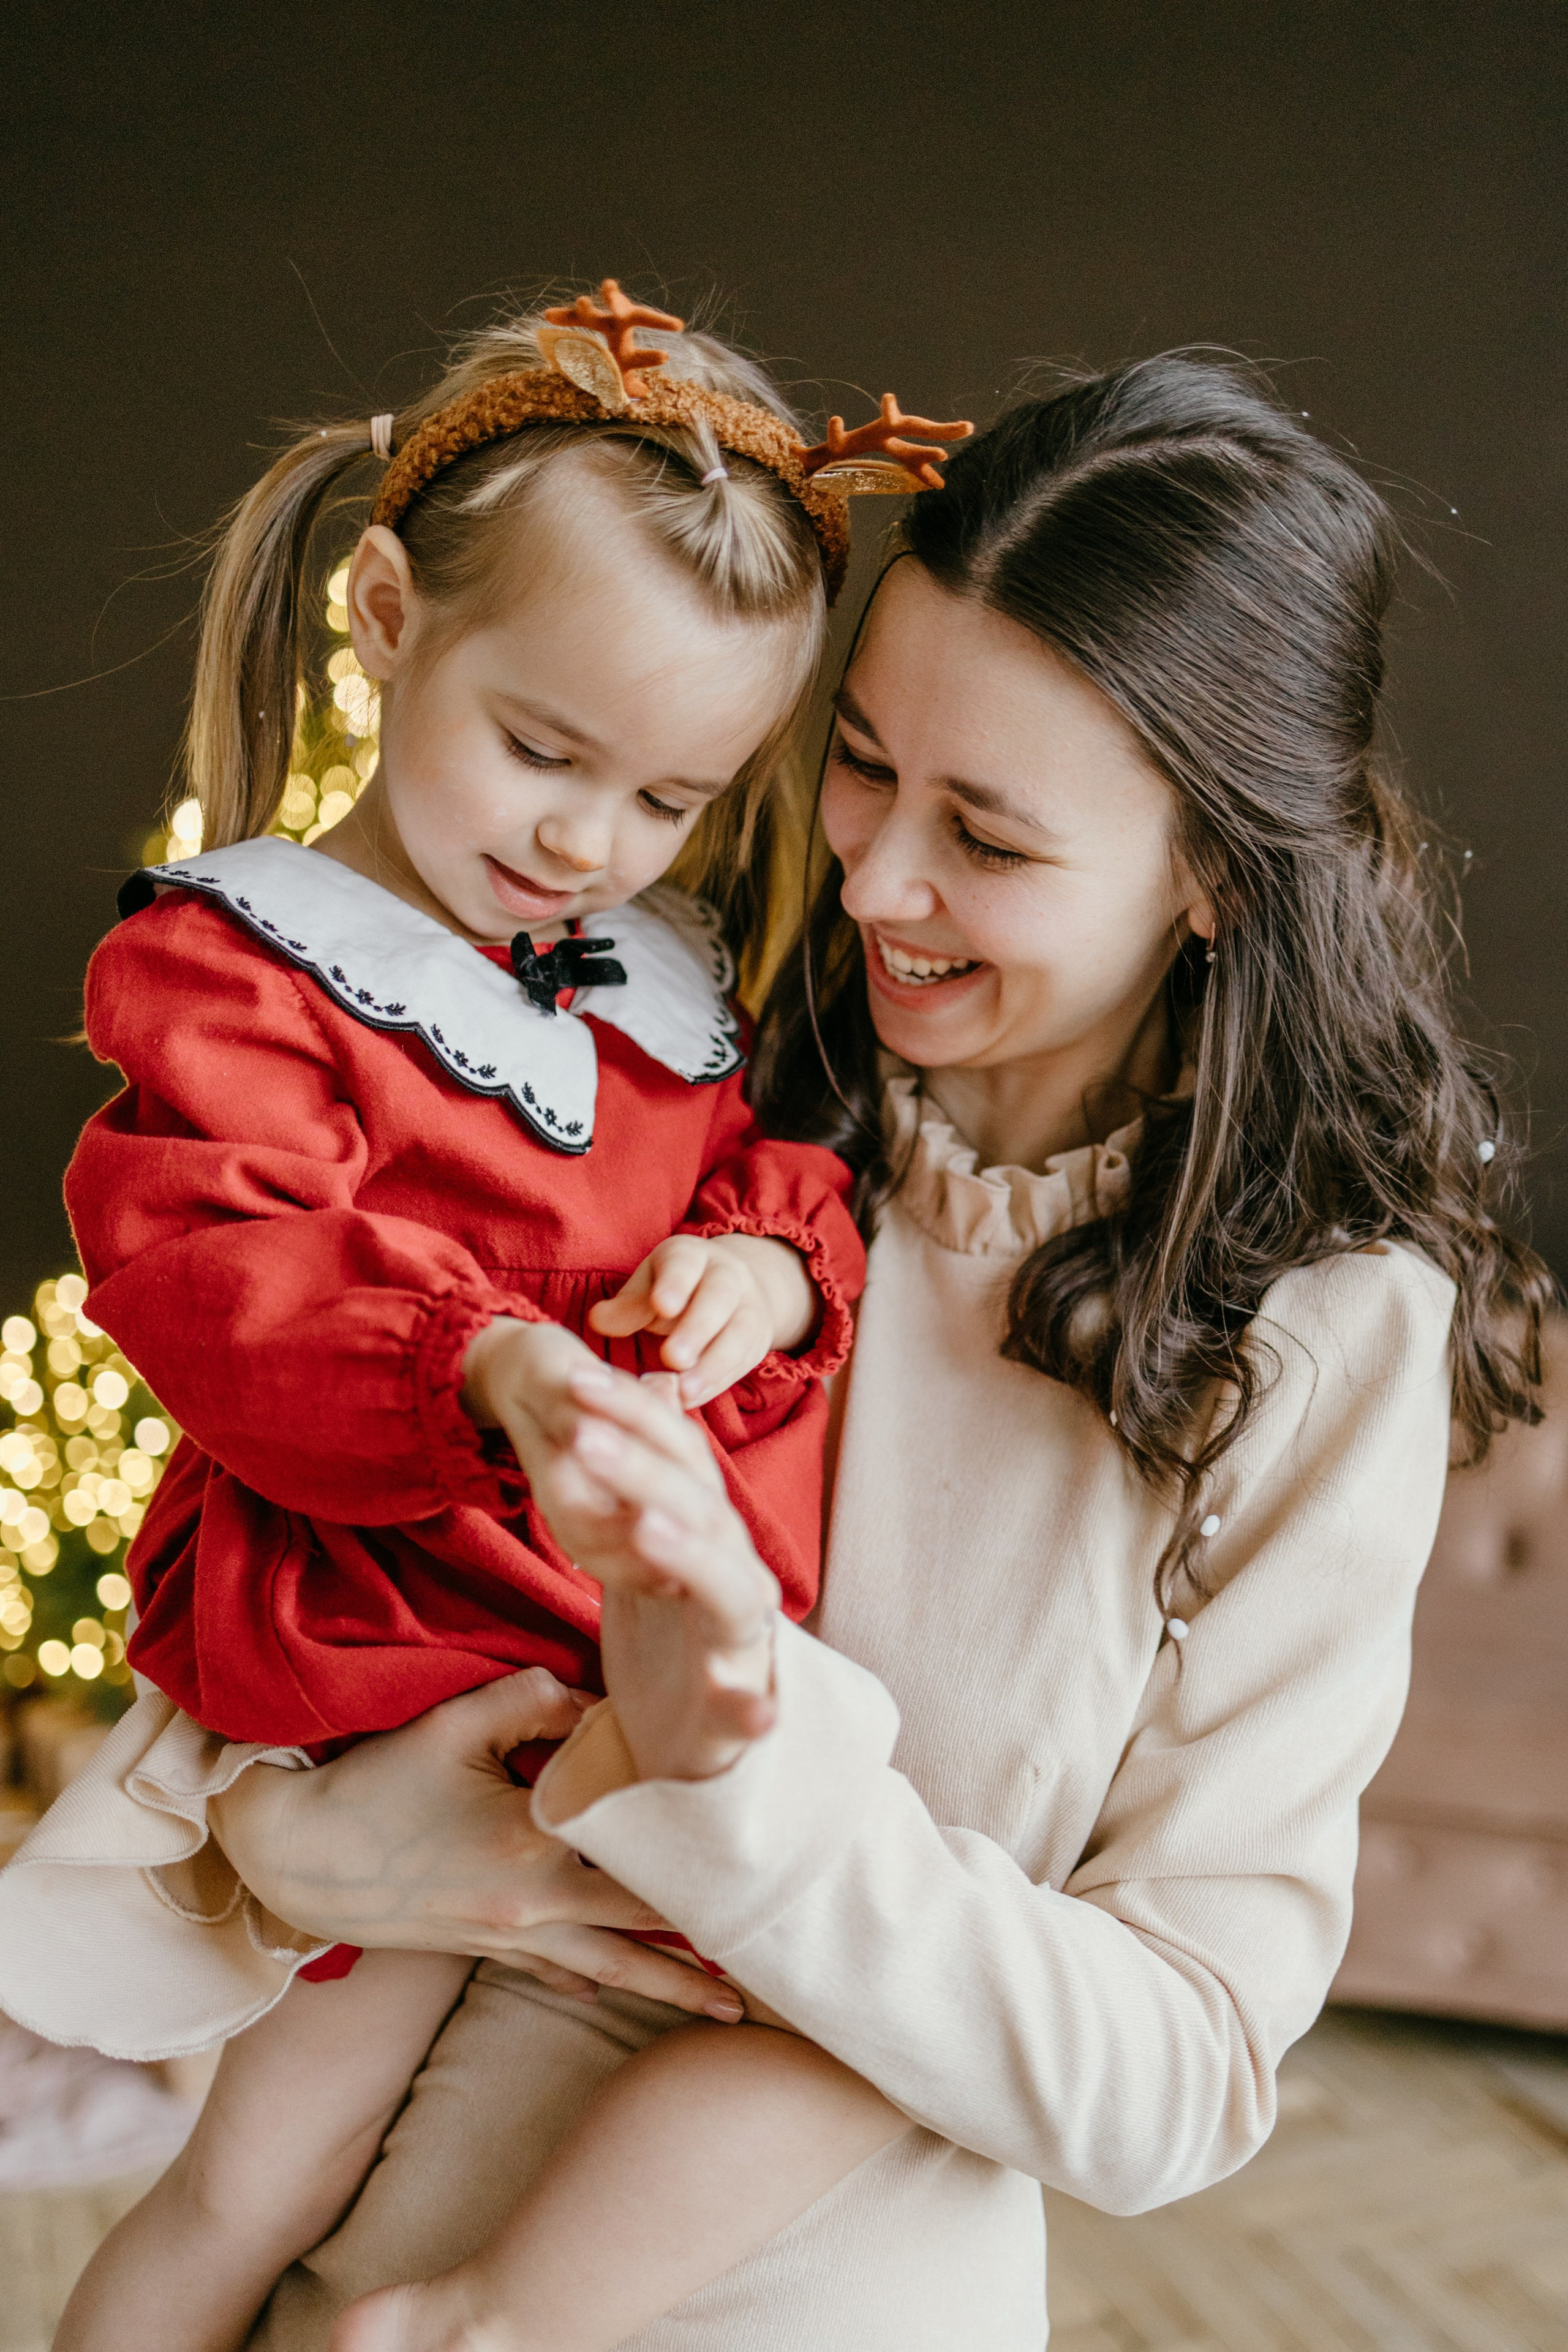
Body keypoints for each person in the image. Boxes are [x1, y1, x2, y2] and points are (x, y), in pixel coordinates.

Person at [10, 356, 1548, 2352]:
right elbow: (322, 1489)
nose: (878, 883)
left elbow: (1179, 2075)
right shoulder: (710, 1098)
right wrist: (291, 1847)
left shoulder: (1312, 1334)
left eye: (988, 837)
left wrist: (731, 1785)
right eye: (864, 763)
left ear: (1215, 873)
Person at [6, 285, 989, 2352]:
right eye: (543, 751)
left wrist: (762, 1266)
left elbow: (764, 1174)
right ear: (385, 614)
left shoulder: (655, 974)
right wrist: (483, 1358)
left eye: (667, 798)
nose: (581, 843)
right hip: (397, 1615)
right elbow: (215, 1262)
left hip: (626, 1620)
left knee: (821, 2013)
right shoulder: (251, 965)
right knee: (263, 2176)